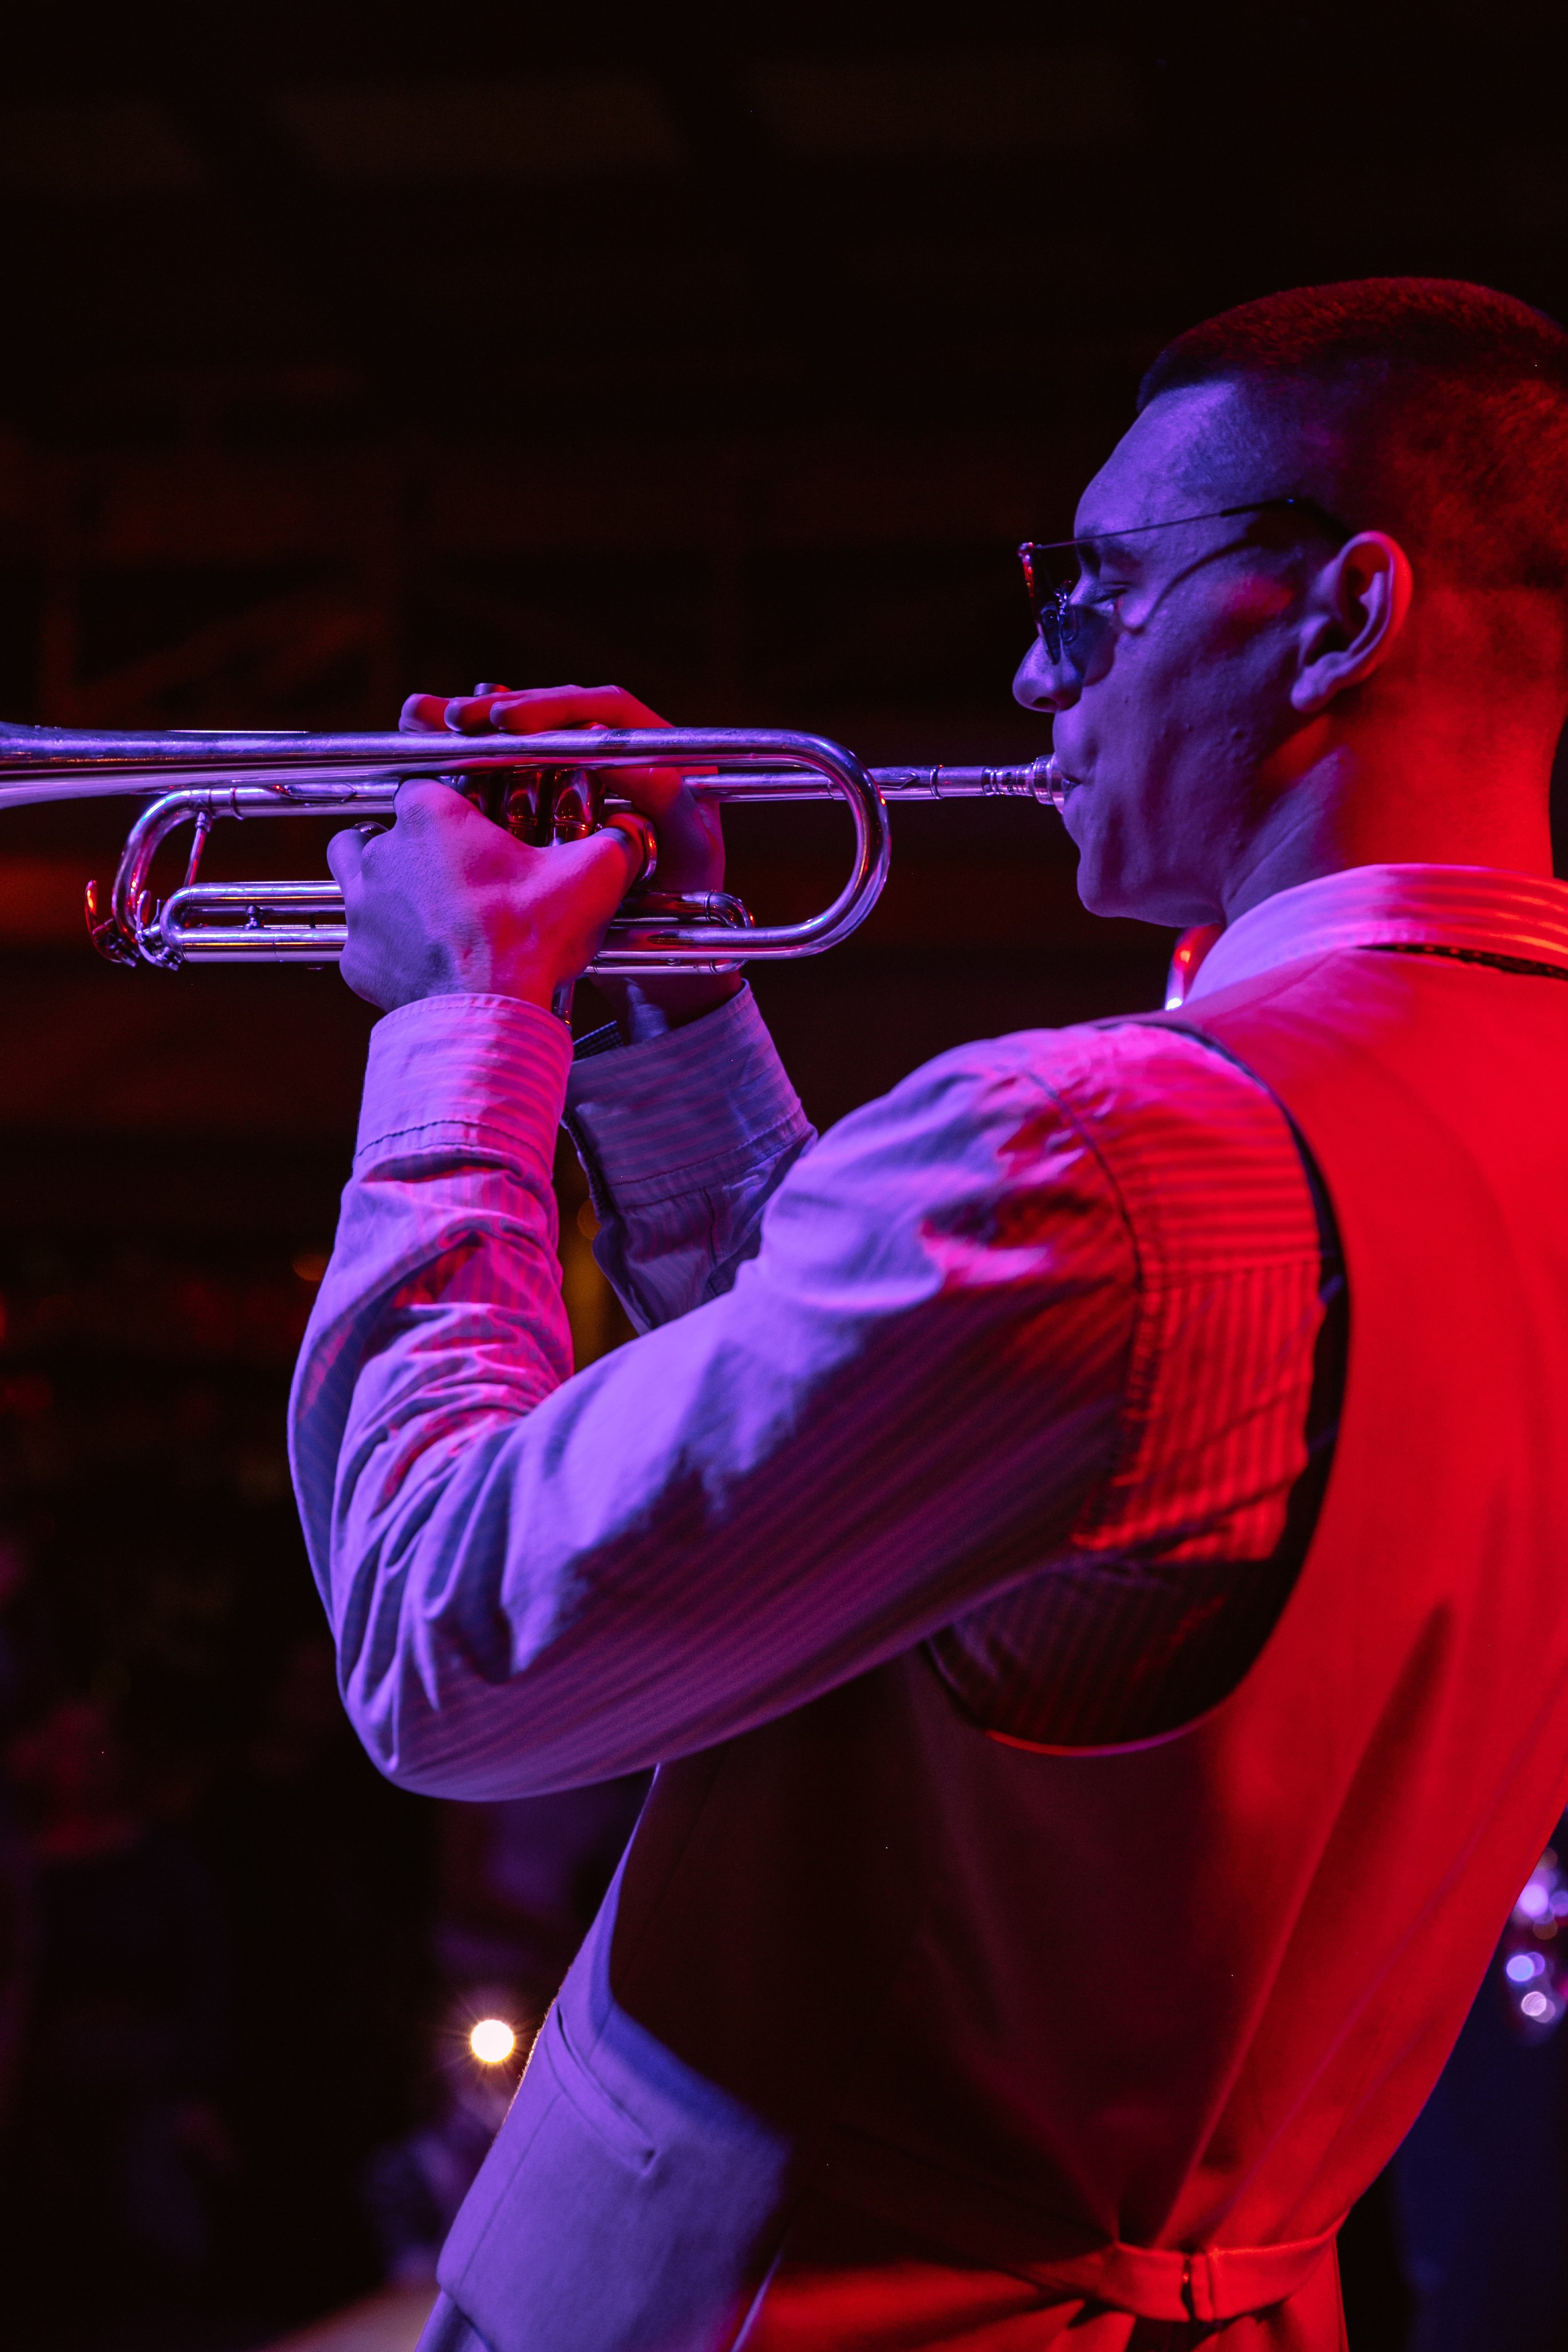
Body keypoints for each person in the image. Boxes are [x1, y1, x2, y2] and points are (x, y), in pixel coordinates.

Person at [288, 279, 1568, 2351]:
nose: (1028, 670)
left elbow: (446, 1644)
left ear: (1341, 614)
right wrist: (663, 1010)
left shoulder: (1112, 1146)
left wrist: (466, 1024)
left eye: (1095, 601)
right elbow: (959, 1512)